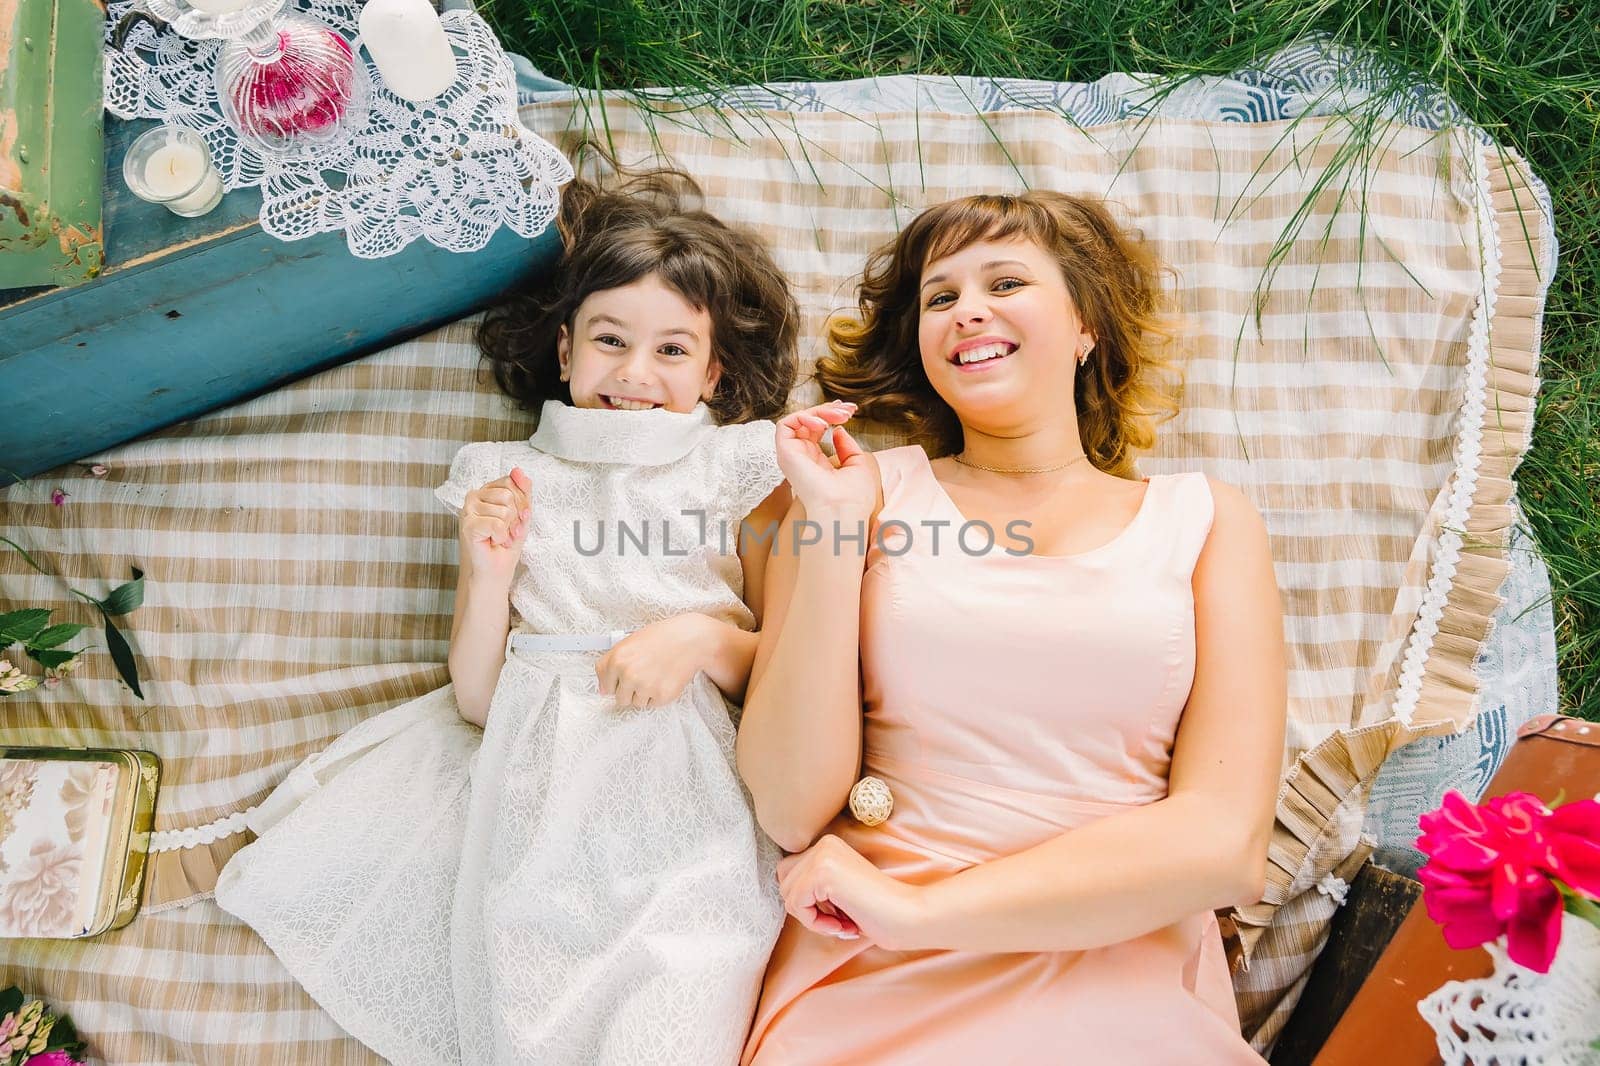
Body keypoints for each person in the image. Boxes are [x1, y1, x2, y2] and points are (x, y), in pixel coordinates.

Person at [216, 168, 813, 1066]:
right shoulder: (507, 476)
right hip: (545, 779)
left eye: (673, 351)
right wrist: (489, 575)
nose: (636, 375)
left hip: (689, 784)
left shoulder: (735, 464)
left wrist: (699, 638)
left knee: (685, 989)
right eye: (611, 341)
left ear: (715, 370)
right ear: (566, 351)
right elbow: (480, 700)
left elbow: (791, 666)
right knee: (533, 994)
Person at [735, 190, 1287, 1064]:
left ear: (1086, 329)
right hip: (871, 979)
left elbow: (1226, 844)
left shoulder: (1209, 522)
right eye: (940, 297)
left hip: (1116, 970)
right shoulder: (854, 496)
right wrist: (835, 534)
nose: (968, 311)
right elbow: (791, 805)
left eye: (1005, 281)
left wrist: (922, 916)